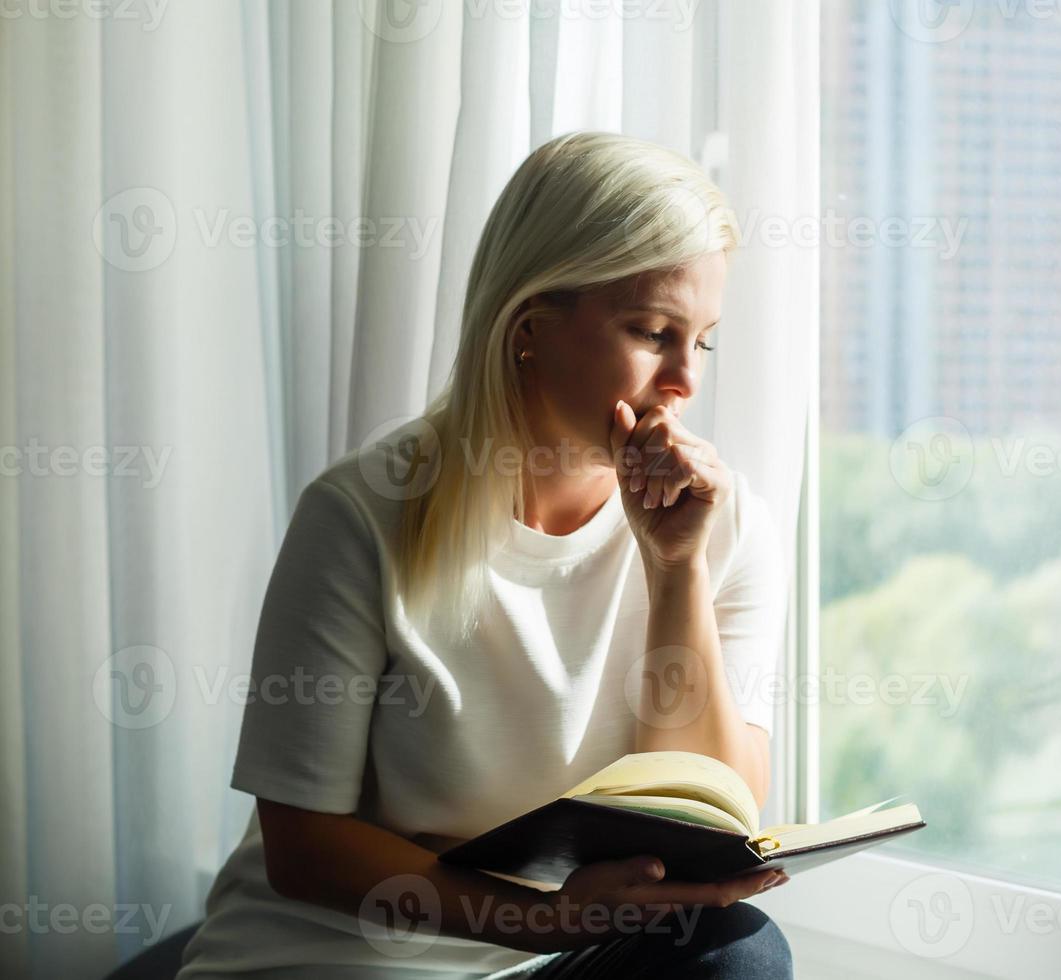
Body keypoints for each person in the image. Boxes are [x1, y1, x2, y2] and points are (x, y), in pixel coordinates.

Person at [177, 131, 794, 979]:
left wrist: (675, 570)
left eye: (705, 340)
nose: (687, 378)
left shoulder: (722, 524)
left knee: (740, 954)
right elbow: (304, 847)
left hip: (545, 961)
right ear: (529, 325)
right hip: (345, 963)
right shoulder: (360, 516)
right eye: (654, 331)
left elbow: (713, 815)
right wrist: (540, 919)